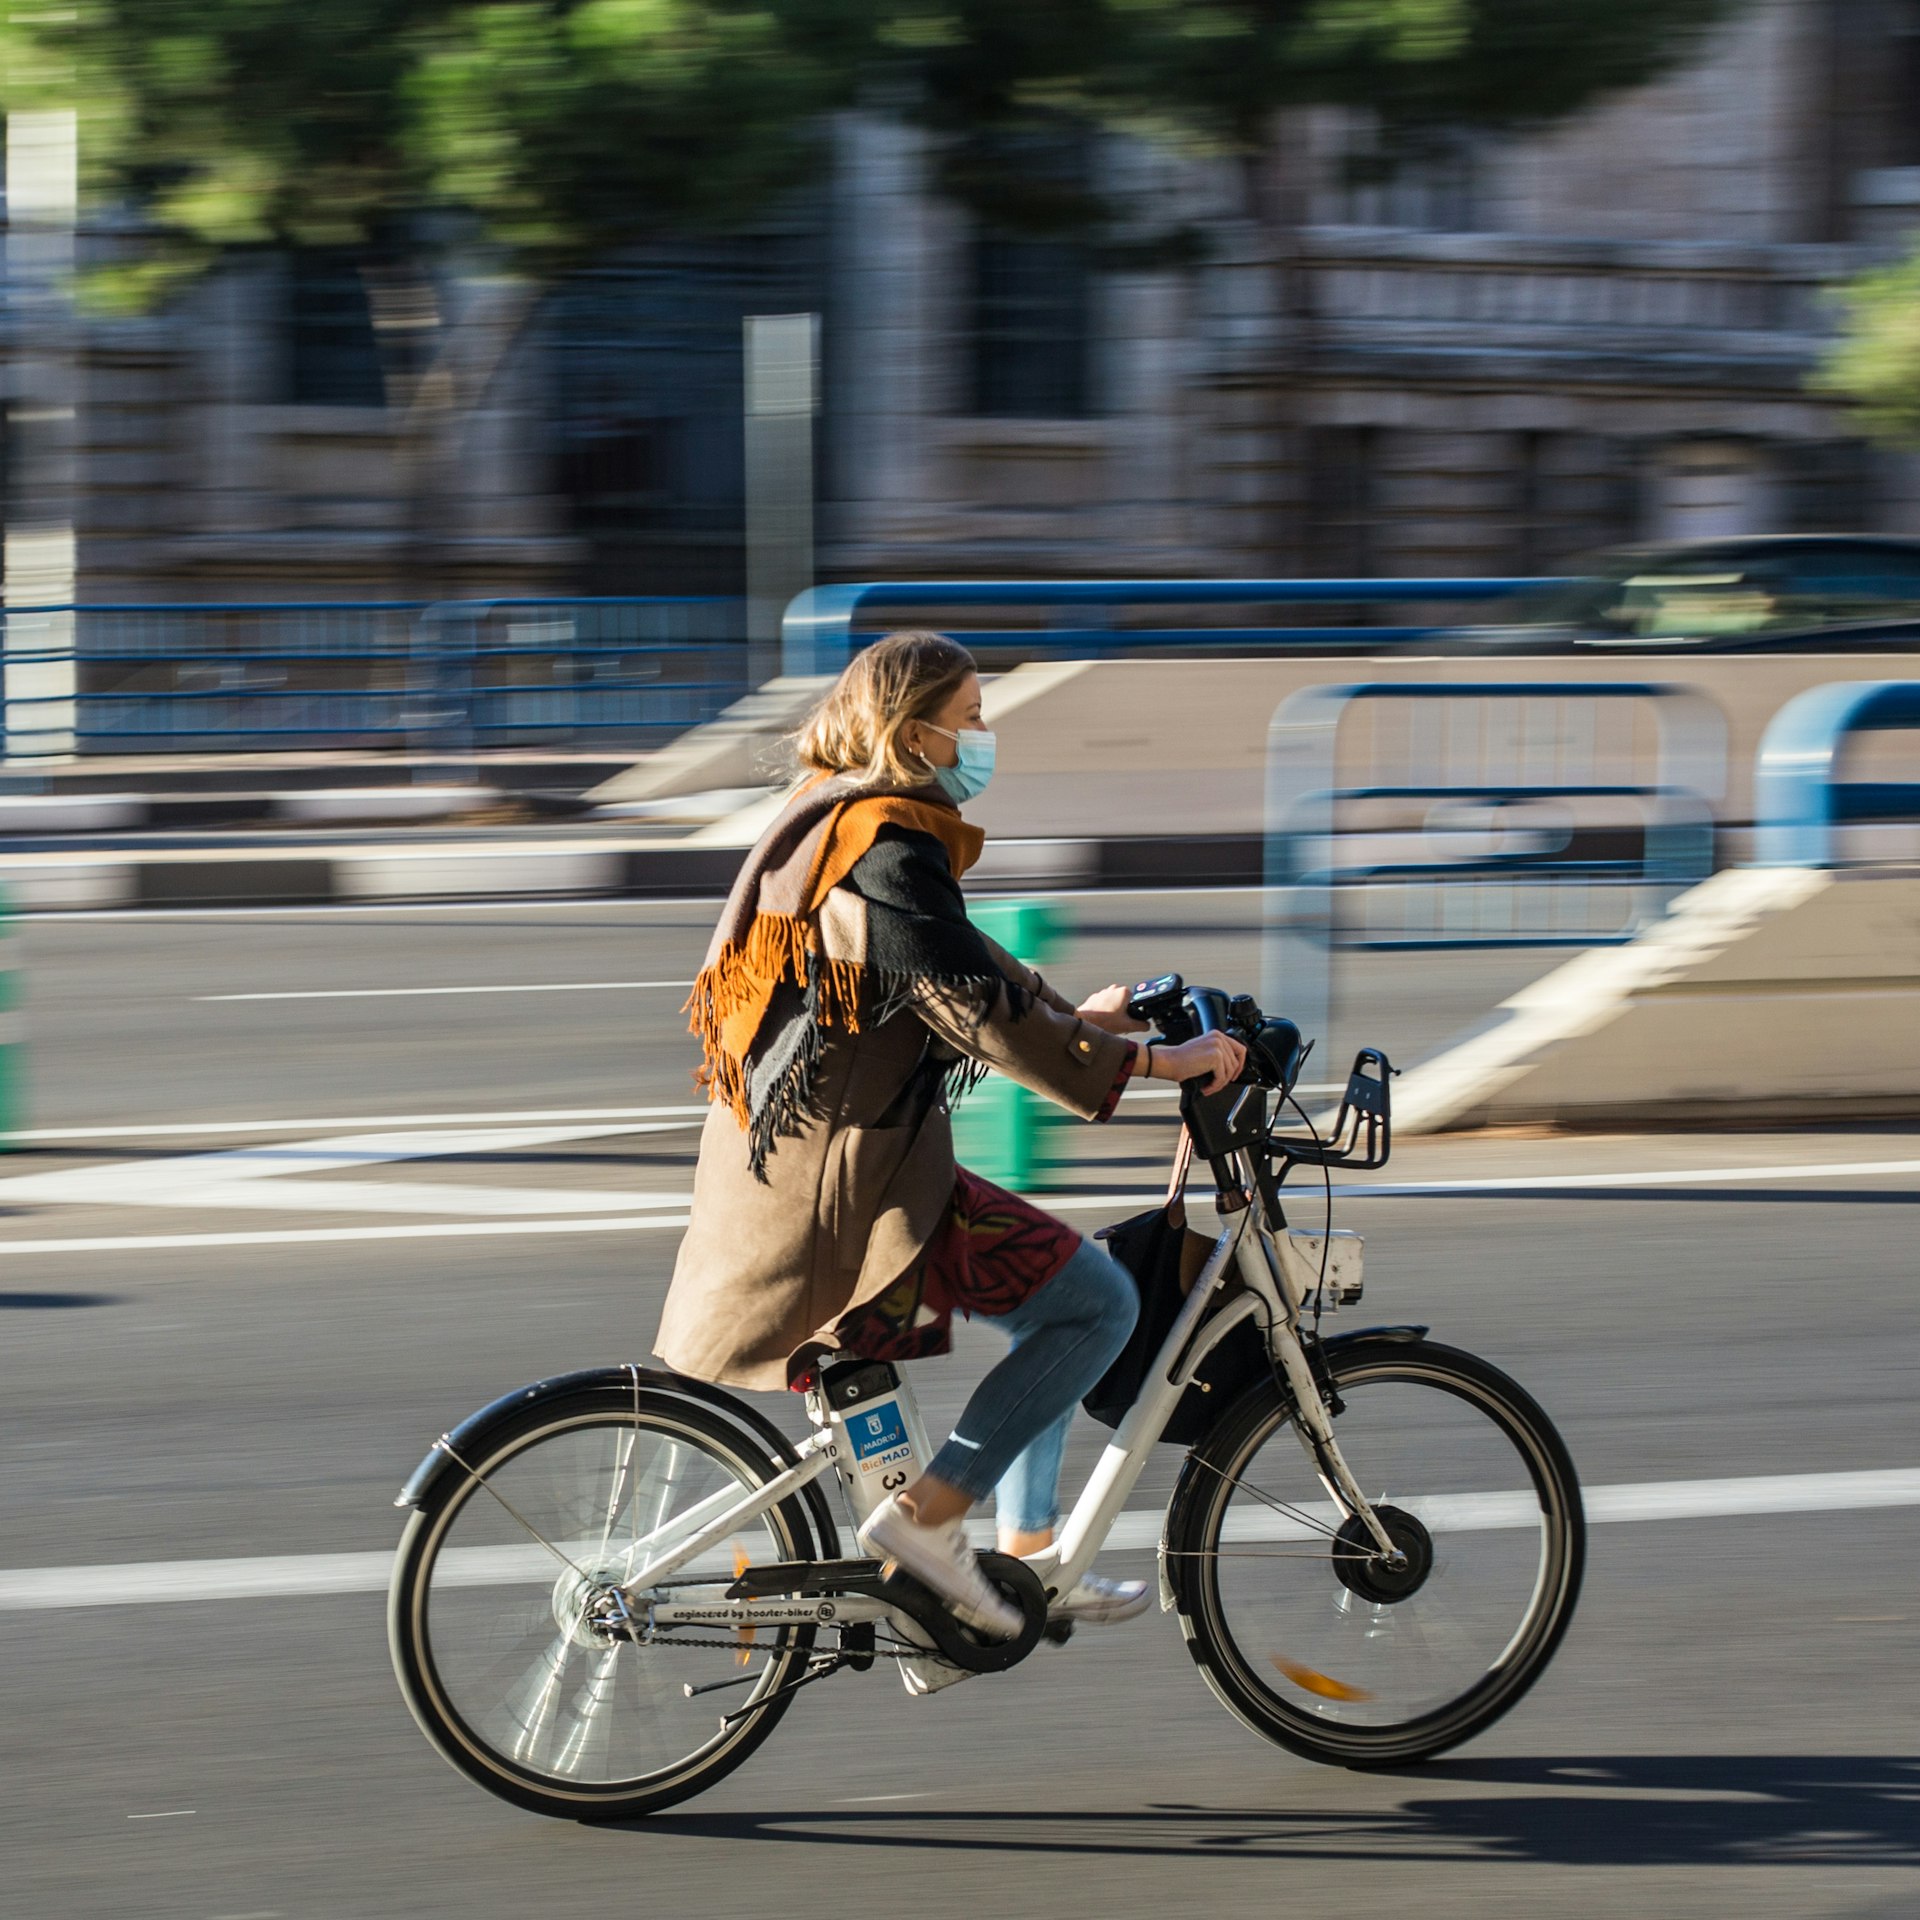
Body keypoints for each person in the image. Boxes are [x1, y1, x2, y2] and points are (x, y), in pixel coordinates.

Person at [654, 631, 1245, 1646]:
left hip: (819, 1160)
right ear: (915, 729)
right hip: (845, 1184)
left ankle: (1023, 1559)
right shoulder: (887, 842)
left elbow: (955, 961)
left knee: (1052, 1301)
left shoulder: (837, 812)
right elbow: (969, 1004)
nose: (983, 735)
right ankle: (930, 1521)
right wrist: (1155, 1066)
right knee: (1099, 1306)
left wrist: (1083, 1019)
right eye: (970, 716)